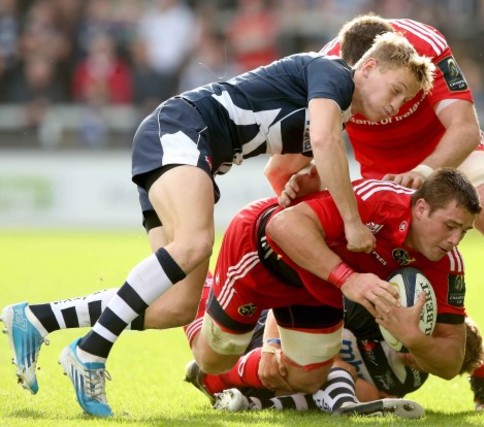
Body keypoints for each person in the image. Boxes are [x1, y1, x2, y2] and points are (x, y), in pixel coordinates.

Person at [0, 32, 434, 418]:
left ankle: (37, 318)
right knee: (195, 243)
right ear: (370, 67)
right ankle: (92, 351)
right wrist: (352, 224)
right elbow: (322, 141)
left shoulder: (332, 112)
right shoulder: (334, 75)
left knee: (178, 305)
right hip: (184, 129)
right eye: (395, 90)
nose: (395, 105)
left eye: (404, 101)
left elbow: (282, 169)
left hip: (185, 145)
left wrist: (304, 181)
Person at [270, 15, 484, 386]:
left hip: (445, 151)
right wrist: (300, 187)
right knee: (398, 278)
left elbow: (465, 127)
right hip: (381, 176)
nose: (396, 104)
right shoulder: (327, 68)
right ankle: (477, 363)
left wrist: (427, 170)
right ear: (364, 67)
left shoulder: (424, 44)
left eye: (403, 91)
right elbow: (283, 166)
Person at [188, 168, 482, 405]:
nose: (455, 240)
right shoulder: (378, 201)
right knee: (213, 356)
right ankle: (191, 278)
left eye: (464, 231)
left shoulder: (449, 264)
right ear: (420, 209)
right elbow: (282, 225)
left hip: (317, 285)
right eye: (450, 225)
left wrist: (413, 337)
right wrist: (349, 279)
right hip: (264, 253)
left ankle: (218, 379)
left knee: (307, 379)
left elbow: (450, 362)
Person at [182, 281, 484, 418]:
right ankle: (213, 375)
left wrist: (343, 379)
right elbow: (291, 299)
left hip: (298, 378)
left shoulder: (409, 379)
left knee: (324, 377)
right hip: (268, 329)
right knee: (188, 289)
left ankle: (251, 404)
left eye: (428, 366)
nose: (416, 360)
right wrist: (272, 346)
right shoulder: (377, 307)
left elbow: (367, 393)